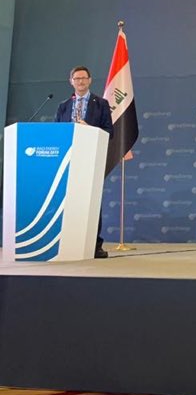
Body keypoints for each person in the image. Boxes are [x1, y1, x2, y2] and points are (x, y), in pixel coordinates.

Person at [54, 65, 113, 258]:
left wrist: (89, 129)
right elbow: (56, 134)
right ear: (71, 82)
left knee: (92, 203)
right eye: (77, 78)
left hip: (91, 160)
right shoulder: (63, 106)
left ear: (90, 80)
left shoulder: (101, 104)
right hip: (68, 161)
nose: (80, 81)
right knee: (67, 202)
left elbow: (109, 132)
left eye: (83, 78)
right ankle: (67, 242)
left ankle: (94, 245)